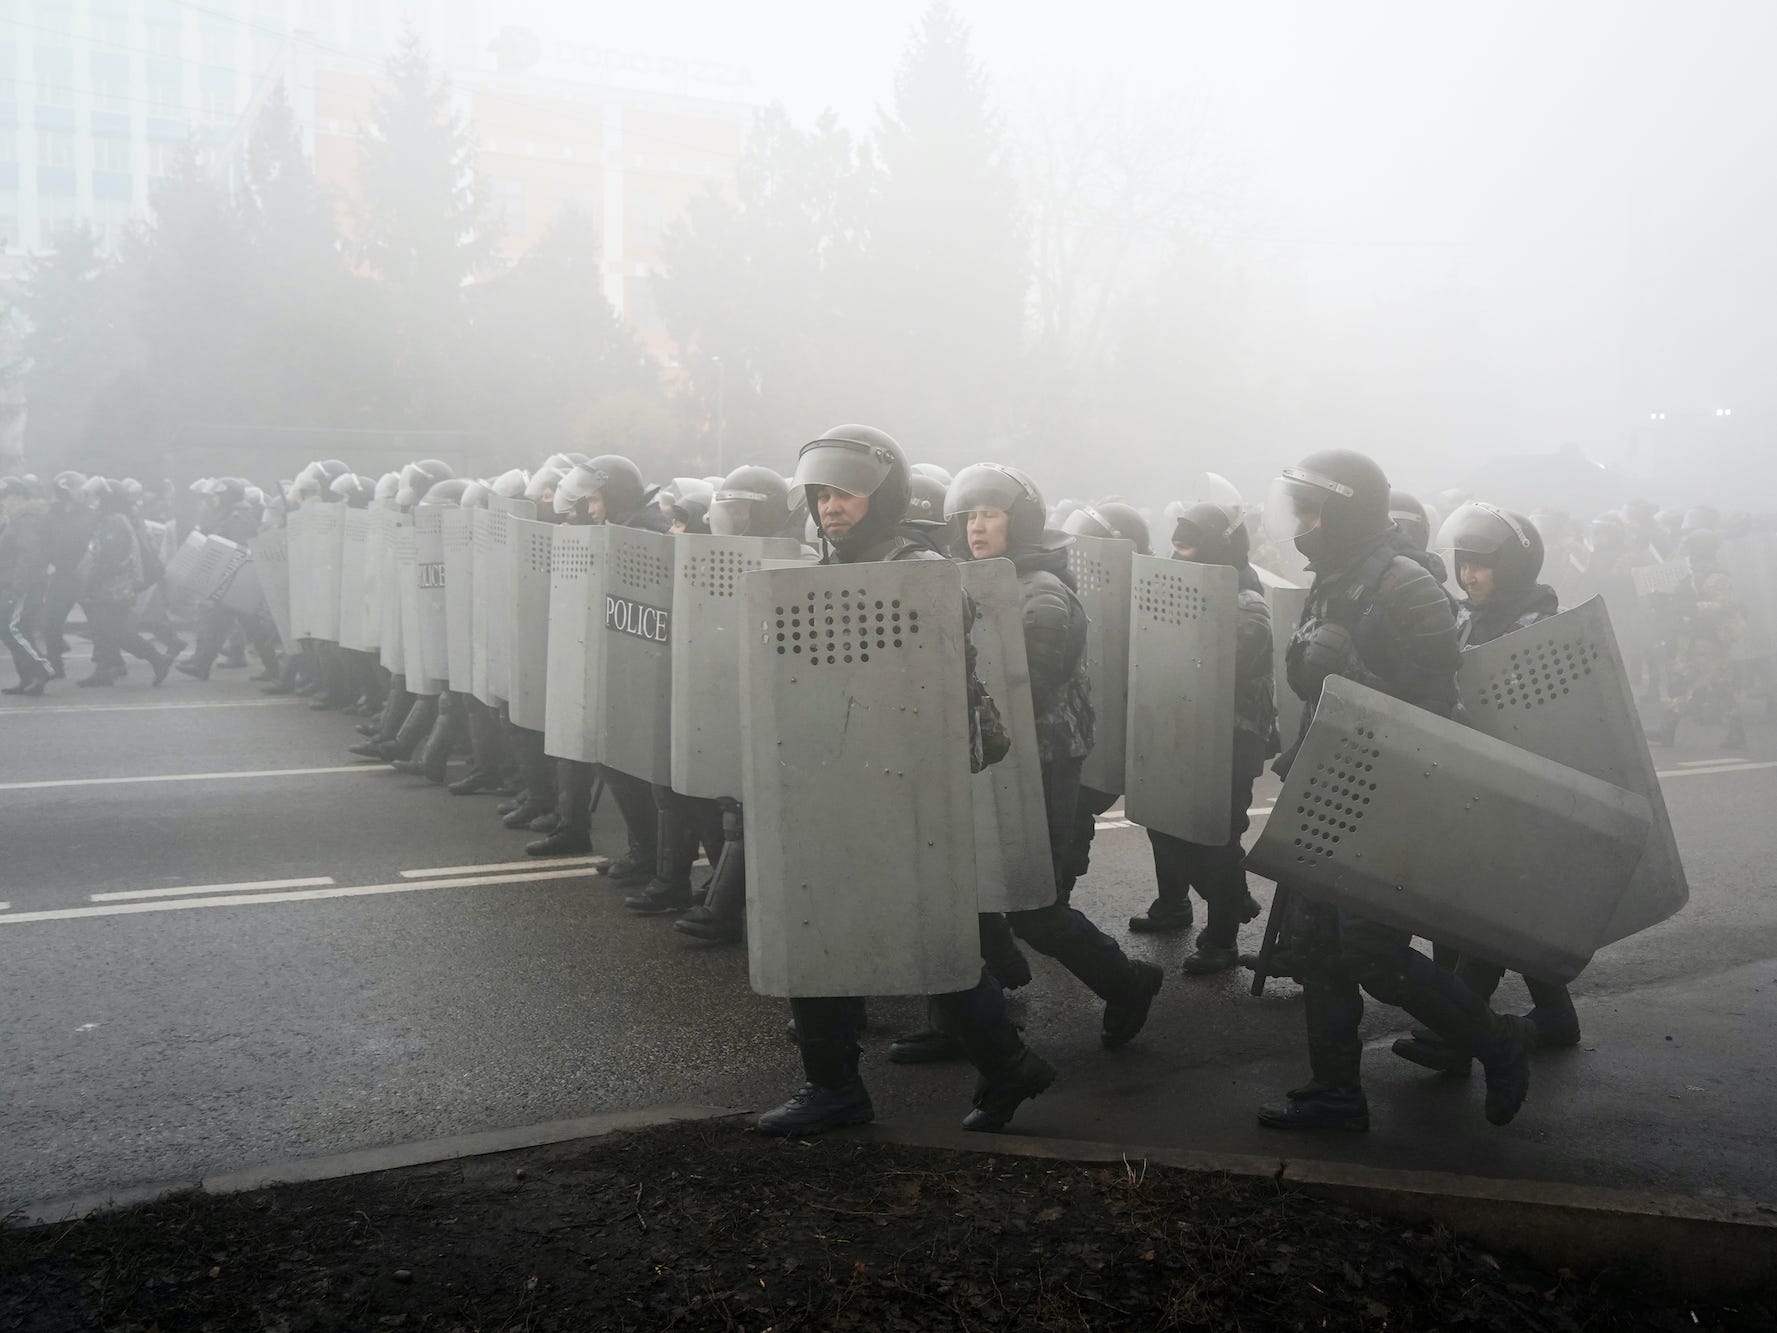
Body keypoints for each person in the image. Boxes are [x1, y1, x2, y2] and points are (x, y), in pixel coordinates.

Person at [757, 424, 1056, 1138]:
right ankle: (977, 1066)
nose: (831, 507)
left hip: (901, 775)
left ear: (882, 497)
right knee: (844, 923)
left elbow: (923, 689)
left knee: (905, 933)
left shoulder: (921, 571)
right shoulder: (821, 564)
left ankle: (859, 1084)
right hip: (833, 772)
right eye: (822, 494)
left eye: (848, 493)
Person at [1253, 450, 1536, 1132]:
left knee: (1372, 955)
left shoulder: (1406, 585)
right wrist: (1310, 662)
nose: (1303, 522)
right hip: (1335, 773)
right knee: (1317, 946)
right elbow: (1305, 679)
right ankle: (1335, 1094)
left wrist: (1352, 670)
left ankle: (1496, 1042)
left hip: (1394, 788)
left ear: (1348, 510)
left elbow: (1437, 709)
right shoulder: (1335, 576)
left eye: (1315, 509)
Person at [891, 463, 1162, 1064]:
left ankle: (1126, 982)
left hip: (1039, 763)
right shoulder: (971, 580)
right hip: (987, 753)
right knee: (960, 888)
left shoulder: (1041, 592)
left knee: (1034, 905)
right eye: (969, 515)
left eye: (991, 513)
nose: (976, 526)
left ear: (1021, 521)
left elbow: (1026, 683)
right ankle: (962, 1019)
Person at [1392, 503, 1581, 1073]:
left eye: (1482, 565)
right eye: (1463, 564)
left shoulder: (1541, 627)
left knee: (1482, 915)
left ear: (1516, 567)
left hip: (1523, 789)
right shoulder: (1470, 617)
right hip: (1474, 782)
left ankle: (1458, 1035)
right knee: (1497, 910)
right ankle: (1554, 1016)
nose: (1468, 575)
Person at [1140, 501, 1277, 975]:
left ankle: (1222, 939)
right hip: (1182, 730)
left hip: (1231, 741)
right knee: (1164, 823)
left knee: (1217, 841)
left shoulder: (1246, 603)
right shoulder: (1179, 590)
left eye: (1191, 547)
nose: (1180, 558)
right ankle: (1218, 899)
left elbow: (1224, 669)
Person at [1650, 528, 1747, 750]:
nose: (1692, 558)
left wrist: (1690, 608)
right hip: (1692, 637)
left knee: (1720, 685)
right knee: (1680, 680)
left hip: (1711, 639)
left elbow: (1723, 606)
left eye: (1695, 553)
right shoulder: (1692, 576)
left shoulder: (1718, 577)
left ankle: (1737, 731)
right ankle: (1667, 729)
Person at [74, 477, 173, 687]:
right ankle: (104, 671)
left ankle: (158, 659)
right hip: (110, 586)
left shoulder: (114, 521)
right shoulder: (110, 518)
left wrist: (90, 581)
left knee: (116, 631)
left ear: (108, 498)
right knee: (103, 630)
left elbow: (108, 559)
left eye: (98, 497)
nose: (94, 501)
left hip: (115, 587)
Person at [0, 476, 55, 694]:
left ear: (18, 497)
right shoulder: (15, 519)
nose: (3, 501)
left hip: (24, 585)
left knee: (13, 629)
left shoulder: (26, 520)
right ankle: (29, 677)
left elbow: (28, 556)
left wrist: (17, 587)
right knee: (11, 630)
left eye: (6, 497)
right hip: (13, 583)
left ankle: (42, 669)